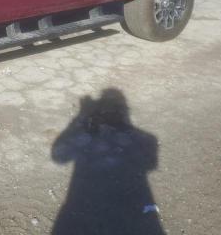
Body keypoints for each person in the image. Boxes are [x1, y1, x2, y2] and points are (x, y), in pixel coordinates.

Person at [51, 88, 164, 235]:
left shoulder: (148, 139)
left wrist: (80, 117)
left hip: (83, 205)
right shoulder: (148, 139)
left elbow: (59, 157)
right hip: (133, 208)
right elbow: (150, 164)